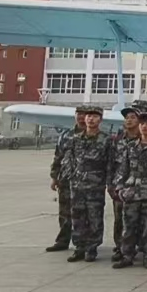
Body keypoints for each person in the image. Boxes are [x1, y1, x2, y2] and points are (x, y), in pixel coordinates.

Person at [112, 111, 147, 269]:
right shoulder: (130, 147)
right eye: (142, 124)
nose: (144, 127)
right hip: (131, 192)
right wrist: (119, 187)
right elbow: (123, 169)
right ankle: (127, 255)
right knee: (129, 226)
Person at [63, 105, 113, 263]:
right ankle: (79, 247)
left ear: (100, 120)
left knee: (94, 217)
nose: (91, 119)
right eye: (88, 116)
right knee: (77, 216)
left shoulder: (106, 140)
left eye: (95, 116)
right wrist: (70, 176)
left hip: (95, 185)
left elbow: (110, 163)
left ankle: (92, 248)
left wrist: (108, 182)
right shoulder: (75, 139)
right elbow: (68, 158)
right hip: (77, 185)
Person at [46, 106, 86, 252]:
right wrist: (54, 177)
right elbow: (58, 156)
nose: (81, 117)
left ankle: (83, 243)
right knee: (64, 212)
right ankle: (63, 241)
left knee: (83, 214)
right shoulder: (66, 135)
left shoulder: (93, 135)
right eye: (78, 114)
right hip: (66, 179)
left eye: (84, 114)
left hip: (85, 182)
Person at [108, 105, 141, 263]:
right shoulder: (117, 140)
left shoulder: (145, 139)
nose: (129, 120)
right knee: (119, 218)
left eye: (133, 117)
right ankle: (120, 247)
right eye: (127, 118)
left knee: (137, 218)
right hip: (120, 184)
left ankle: (136, 246)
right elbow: (110, 163)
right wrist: (110, 184)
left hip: (138, 185)